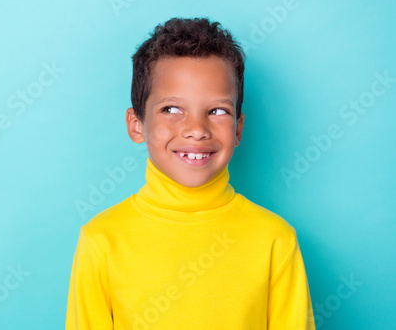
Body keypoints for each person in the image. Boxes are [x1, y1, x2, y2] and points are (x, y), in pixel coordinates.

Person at [66, 17, 315, 329]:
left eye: (218, 111)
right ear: (136, 125)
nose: (197, 130)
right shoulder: (101, 240)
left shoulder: (276, 240)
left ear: (238, 129)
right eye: (172, 110)